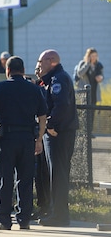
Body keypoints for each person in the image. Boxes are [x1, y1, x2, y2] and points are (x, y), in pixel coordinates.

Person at [0, 56, 48, 230]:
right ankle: (24, 219)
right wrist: (39, 139)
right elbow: (42, 117)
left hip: (6, 140)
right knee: (25, 180)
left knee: (5, 180)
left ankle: (3, 220)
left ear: (8, 70)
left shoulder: (1, 87)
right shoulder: (34, 89)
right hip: (27, 139)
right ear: (23, 69)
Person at [37, 49, 79, 227]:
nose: (39, 65)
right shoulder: (52, 79)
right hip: (56, 132)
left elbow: (61, 105)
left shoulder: (58, 79)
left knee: (58, 174)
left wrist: (50, 125)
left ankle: (60, 216)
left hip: (59, 134)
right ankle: (56, 212)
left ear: (51, 61)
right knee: (55, 174)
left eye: (41, 61)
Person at [32, 63, 51, 220]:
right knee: (38, 174)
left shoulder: (49, 84)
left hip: (45, 134)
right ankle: (41, 204)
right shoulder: (39, 85)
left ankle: (48, 205)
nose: (37, 72)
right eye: (35, 69)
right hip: (36, 134)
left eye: (39, 69)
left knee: (45, 172)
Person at [74, 48, 104, 128]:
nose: (94, 58)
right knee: (84, 112)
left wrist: (100, 78)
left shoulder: (99, 65)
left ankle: (90, 130)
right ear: (88, 56)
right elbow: (80, 73)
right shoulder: (83, 63)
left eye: (95, 56)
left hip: (94, 91)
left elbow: (102, 75)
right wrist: (87, 64)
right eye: (92, 56)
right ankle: (84, 130)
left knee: (92, 112)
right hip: (85, 92)